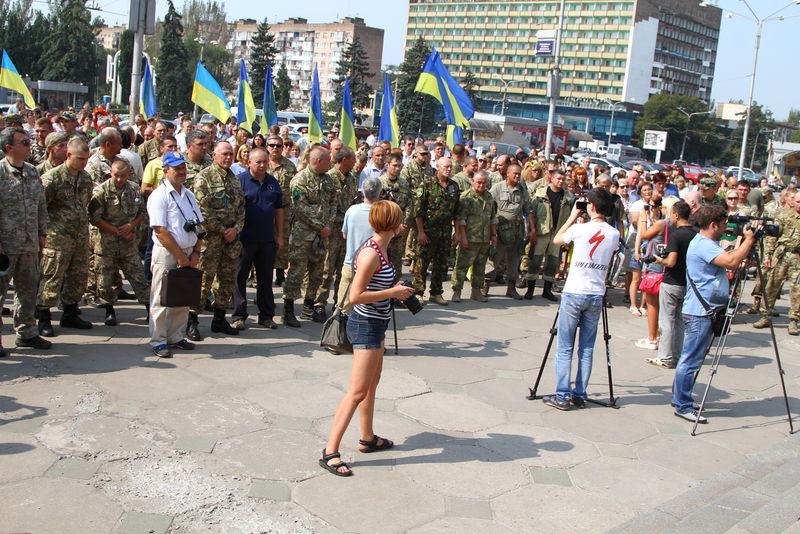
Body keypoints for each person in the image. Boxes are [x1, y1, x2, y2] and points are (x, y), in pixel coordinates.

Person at [319, 200, 416, 477]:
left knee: (372, 385)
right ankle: (330, 452)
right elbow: (355, 296)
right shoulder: (371, 253)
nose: (403, 225)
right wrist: (393, 292)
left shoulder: (382, 247)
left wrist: (395, 291)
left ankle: (367, 437)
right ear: (392, 224)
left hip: (377, 324)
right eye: (399, 220)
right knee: (357, 392)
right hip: (365, 325)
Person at [672, 205, 758, 423]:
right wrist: (748, 240)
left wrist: (743, 248)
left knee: (691, 358)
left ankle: (681, 398)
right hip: (701, 312)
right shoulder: (703, 244)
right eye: (722, 225)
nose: (725, 229)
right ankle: (682, 405)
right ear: (713, 225)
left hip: (705, 310)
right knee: (690, 360)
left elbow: (728, 260)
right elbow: (730, 262)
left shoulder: (706, 243)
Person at [542, 187, 620, 411]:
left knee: (565, 346)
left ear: (591, 207)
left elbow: (557, 239)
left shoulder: (580, 229)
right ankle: (580, 393)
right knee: (586, 348)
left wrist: (573, 216)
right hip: (595, 294)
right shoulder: (614, 234)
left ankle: (562, 394)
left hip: (575, 290)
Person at [186, 141, 245, 340]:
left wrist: (235, 229)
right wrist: (221, 230)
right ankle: (192, 321)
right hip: (211, 239)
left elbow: (241, 209)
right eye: (224, 154)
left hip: (231, 240)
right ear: (214, 154)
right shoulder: (204, 177)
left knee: (227, 281)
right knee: (203, 282)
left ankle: (219, 319)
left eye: (231, 154)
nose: (228, 157)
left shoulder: (234, 179)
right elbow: (203, 209)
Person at [0, 127, 51, 354]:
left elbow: (41, 205)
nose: (29, 145)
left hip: (29, 242)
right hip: (5, 246)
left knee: (28, 289)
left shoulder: (31, 172)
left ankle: (27, 333)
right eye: (24, 142)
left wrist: (42, 233)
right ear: (9, 147)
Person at [147, 151, 203, 358]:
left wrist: (196, 251)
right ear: (165, 171)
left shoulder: (188, 194)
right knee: (161, 298)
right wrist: (181, 256)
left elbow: (199, 225)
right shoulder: (159, 195)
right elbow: (160, 231)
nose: (181, 171)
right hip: (168, 252)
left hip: (188, 251)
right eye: (176, 168)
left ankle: (175, 336)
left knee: (182, 296)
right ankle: (158, 340)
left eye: (183, 167)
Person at [37, 138, 95, 336]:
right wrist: (42, 234)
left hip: (79, 235)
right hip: (57, 237)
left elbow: (86, 202)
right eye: (80, 158)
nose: (84, 162)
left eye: (86, 159)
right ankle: (44, 316)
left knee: (78, 276)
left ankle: (70, 314)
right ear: (69, 155)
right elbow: (41, 207)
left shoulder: (86, 178)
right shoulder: (53, 178)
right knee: (52, 277)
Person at [88, 160, 150, 326]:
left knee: (138, 277)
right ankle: (109, 310)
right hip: (107, 243)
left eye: (123, 176)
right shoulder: (101, 191)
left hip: (128, 244)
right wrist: (116, 231)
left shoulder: (134, 189)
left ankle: (149, 309)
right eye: (116, 175)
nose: (119, 179)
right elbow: (95, 218)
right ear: (110, 173)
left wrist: (130, 226)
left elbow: (142, 213)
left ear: (128, 175)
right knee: (105, 280)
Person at [230, 147, 284, 330]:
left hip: (267, 239)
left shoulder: (272, 182)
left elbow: (279, 210)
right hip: (244, 239)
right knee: (240, 278)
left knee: (265, 278)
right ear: (249, 163)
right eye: (258, 162)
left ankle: (266, 316)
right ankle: (239, 316)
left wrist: (280, 235)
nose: (262, 165)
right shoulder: (240, 181)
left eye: (265, 162)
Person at [282, 146, 336, 327]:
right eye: (328, 160)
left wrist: (327, 226)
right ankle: (288, 311)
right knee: (296, 272)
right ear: (318, 161)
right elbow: (301, 208)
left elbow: (333, 204)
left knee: (317, 272)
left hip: (323, 235)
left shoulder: (328, 180)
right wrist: (320, 226)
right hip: (303, 235)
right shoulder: (300, 180)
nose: (331, 163)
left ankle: (309, 306)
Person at [646, 199, 697, 368]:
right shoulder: (695, 233)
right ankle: (678, 354)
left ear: (676, 215)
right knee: (680, 322)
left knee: (667, 321)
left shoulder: (676, 235)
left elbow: (671, 262)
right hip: (687, 282)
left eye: (671, 213)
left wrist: (658, 259)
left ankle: (665, 357)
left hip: (671, 281)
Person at [316, 146, 358, 314]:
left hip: (347, 231)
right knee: (327, 268)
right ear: (344, 160)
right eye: (353, 158)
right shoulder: (329, 178)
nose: (355, 161)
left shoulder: (352, 178)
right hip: (331, 229)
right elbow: (325, 205)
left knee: (344, 268)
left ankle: (339, 304)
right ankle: (319, 304)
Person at [413, 157, 460, 305]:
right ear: (437, 167)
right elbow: (418, 211)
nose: (449, 169)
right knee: (422, 262)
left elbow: (457, 212)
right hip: (428, 231)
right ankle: (418, 292)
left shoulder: (454, 186)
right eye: (445, 166)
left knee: (441, 264)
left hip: (445, 232)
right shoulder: (427, 184)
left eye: (450, 166)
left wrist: (457, 232)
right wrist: (421, 232)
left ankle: (436, 293)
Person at [753, 191, 800, 335]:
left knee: (797, 290)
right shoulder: (784, 215)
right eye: (798, 202)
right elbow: (772, 237)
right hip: (782, 254)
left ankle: (793, 320)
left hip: (798, 257)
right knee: (772, 284)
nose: (799, 205)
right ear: (793, 202)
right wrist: (767, 255)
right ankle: (766, 315)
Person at [487, 163, 535, 299]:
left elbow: (528, 209)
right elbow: (489, 207)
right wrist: (492, 231)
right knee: (494, 259)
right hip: (500, 231)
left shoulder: (522, 190)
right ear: (507, 174)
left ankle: (511, 288)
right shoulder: (497, 188)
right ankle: (484, 286)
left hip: (517, 231)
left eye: (519, 174)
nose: (517, 176)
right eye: (514, 173)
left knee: (514, 261)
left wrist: (532, 230)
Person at [634, 196, 676, 350]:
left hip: (656, 267)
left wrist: (644, 219)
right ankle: (658, 335)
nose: (659, 208)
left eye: (661, 206)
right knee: (665, 307)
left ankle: (652, 338)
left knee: (652, 305)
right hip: (668, 268)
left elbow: (644, 235)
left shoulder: (662, 224)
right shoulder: (674, 225)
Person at [337, 178, 383, 315]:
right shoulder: (382, 213)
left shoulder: (352, 210)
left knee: (342, 307)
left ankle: (337, 335)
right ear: (380, 193)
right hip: (373, 268)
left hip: (351, 263)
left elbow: (344, 234)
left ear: (362, 192)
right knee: (369, 309)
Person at [526, 169, 573, 300]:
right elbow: (532, 213)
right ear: (551, 179)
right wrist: (532, 230)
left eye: (563, 179)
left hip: (557, 234)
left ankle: (547, 290)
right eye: (558, 178)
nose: (561, 181)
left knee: (552, 263)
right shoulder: (540, 194)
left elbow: (571, 217)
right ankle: (530, 289)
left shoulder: (568, 197)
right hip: (542, 232)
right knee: (535, 261)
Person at [451, 171, 497, 303]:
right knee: (461, 266)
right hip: (470, 238)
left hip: (484, 238)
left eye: (484, 183)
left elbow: (493, 218)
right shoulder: (466, 197)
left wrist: (493, 235)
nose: (482, 185)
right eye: (479, 182)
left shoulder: (489, 197)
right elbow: (461, 220)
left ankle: (476, 292)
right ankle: (457, 291)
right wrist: (463, 237)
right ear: (473, 182)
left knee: (480, 267)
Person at [264, 135, 297, 287]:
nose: (275, 148)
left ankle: (279, 273)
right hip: (264, 210)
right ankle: (259, 274)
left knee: (282, 242)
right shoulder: (261, 164)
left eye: (278, 145)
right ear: (267, 146)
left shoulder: (290, 166)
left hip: (284, 209)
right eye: (272, 145)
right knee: (263, 241)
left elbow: (295, 189)